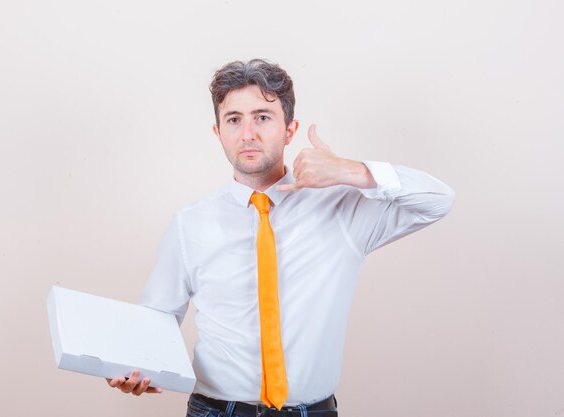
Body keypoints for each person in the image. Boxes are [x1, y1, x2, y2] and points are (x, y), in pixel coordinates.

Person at [106, 58, 455, 416]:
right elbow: (157, 319)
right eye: (234, 119)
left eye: (262, 117)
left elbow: (438, 200)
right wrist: (136, 367)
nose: (248, 134)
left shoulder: (343, 211)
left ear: (289, 130)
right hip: (214, 410)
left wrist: (350, 171)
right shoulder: (189, 224)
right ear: (218, 133)